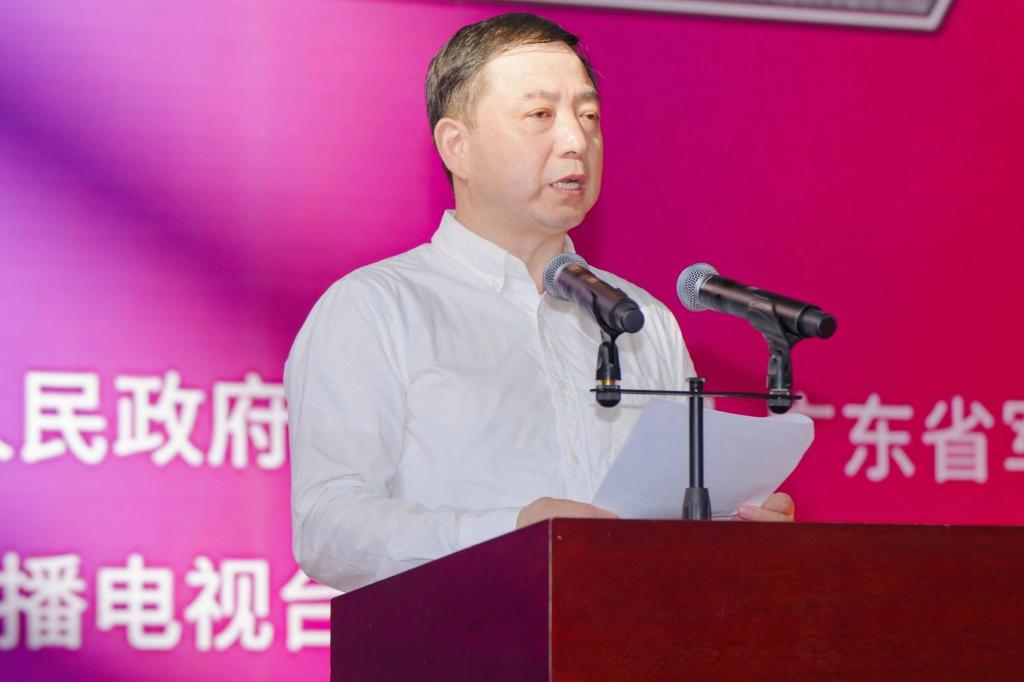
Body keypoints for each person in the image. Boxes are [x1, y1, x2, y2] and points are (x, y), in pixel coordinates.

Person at [284, 13, 794, 593]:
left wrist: (731, 531)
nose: (577, 141)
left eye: (589, 116)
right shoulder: (375, 309)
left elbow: (676, 519)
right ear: (457, 146)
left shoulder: (644, 320)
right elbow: (329, 528)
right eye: (540, 116)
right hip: (463, 635)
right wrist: (512, 534)